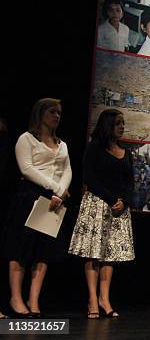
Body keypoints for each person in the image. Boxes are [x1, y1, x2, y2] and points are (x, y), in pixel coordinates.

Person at [1, 99, 72, 318]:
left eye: (59, 112)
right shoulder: (27, 138)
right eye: (52, 112)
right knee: (21, 248)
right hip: (30, 195)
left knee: (43, 251)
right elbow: (27, 168)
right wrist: (53, 188)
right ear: (40, 114)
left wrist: (60, 193)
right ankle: (16, 298)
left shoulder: (62, 144)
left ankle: (34, 299)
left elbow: (67, 170)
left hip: (55, 200)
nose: (57, 116)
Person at [68, 109, 135, 319]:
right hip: (97, 205)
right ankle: (91, 299)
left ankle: (104, 299)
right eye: (118, 123)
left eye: (123, 123)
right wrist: (110, 199)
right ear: (108, 125)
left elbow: (130, 181)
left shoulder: (126, 152)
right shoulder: (94, 149)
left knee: (110, 255)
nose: (122, 127)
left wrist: (124, 201)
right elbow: (90, 177)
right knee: (94, 253)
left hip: (118, 209)